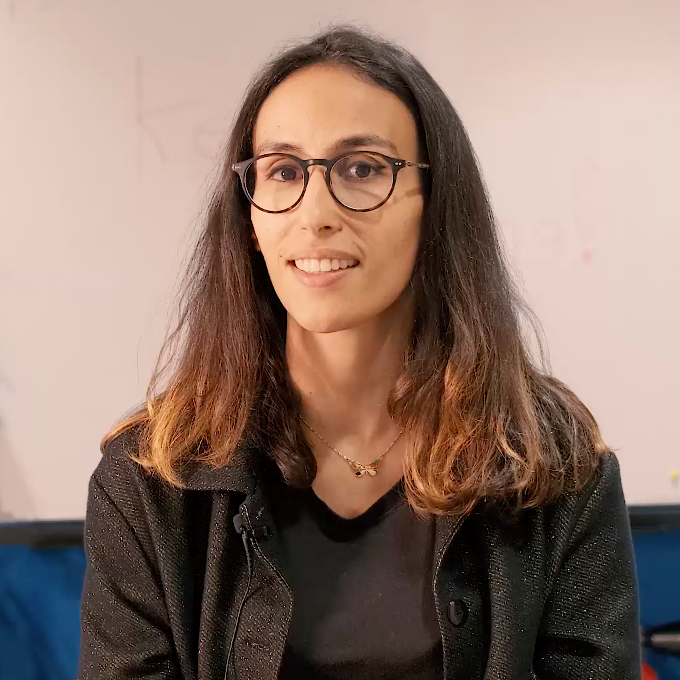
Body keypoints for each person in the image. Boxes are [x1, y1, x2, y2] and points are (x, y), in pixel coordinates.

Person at [77, 25, 641, 680]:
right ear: (250, 220)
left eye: (363, 168)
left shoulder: (556, 468)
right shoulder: (151, 480)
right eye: (283, 171)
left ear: (435, 205)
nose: (315, 214)